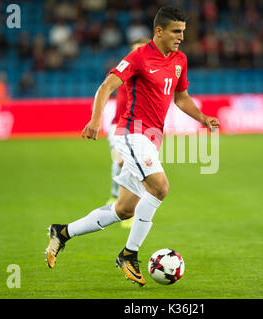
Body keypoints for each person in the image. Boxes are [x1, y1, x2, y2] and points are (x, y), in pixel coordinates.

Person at [45, 6, 219, 286]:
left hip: (152, 139)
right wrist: (94, 120)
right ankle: (129, 254)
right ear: (159, 31)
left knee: (124, 209)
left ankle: (62, 233)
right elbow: (106, 86)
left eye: (183, 32)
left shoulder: (179, 60)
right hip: (131, 133)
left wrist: (202, 118)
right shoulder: (139, 57)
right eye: (176, 31)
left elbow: (181, 97)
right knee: (160, 187)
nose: (181, 37)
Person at [105, 37, 150, 230]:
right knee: (122, 160)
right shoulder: (122, 70)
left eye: (143, 50)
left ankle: (130, 208)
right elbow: (106, 88)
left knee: (139, 168)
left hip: (141, 128)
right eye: (135, 50)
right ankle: (115, 196)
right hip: (119, 125)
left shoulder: (153, 75)